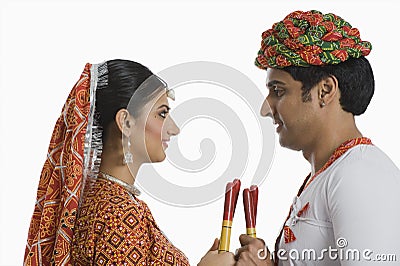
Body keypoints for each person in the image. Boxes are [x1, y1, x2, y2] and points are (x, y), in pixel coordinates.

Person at [24, 59, 235, 265]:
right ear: (125, 122)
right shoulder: (116, 214)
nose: (174, 129)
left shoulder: (108, 200)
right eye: (162, 114)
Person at [235, 10, 400, 265]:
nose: (266, 108)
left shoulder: (360, 175)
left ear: (325, 91)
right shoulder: (332, 172)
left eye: (278, 91)